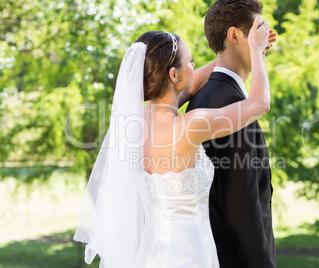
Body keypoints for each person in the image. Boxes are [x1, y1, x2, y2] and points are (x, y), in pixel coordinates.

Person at [74, 18, 273, 267]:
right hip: (189, 254)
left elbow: (197, 79)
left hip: (153, 253)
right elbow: (259, 104)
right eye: (190, 61)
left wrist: (239, 48)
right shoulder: (190, 125)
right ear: (173, 74)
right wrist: (253, 49)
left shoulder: (136, 123)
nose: (194, 66)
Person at [186, 0, 278, 267]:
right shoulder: (232, 106)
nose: (264, 39)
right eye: (258, 29)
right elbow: (243, 209)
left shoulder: (204, 95)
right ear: (235, 36)